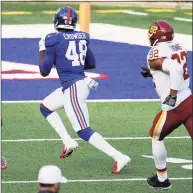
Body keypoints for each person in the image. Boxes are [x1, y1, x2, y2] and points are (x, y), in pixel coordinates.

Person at [39, 6, 130, 174]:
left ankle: (118, 156)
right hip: (75, 83)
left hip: (74, 87)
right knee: (45, 107)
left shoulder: (53, 39)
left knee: (83, 130)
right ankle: (68, 142)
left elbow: (44, 71)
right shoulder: (82, 37)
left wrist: (43, 50)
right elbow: (91, 63)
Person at [141, 20, 192, 189]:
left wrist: (172, 95)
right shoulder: (177, 45)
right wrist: (152, 72)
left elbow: (176, 69)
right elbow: (172, 68)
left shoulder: (155, 51)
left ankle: (162, 179)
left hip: (174, 106)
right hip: (189, 100)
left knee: (156, 135)